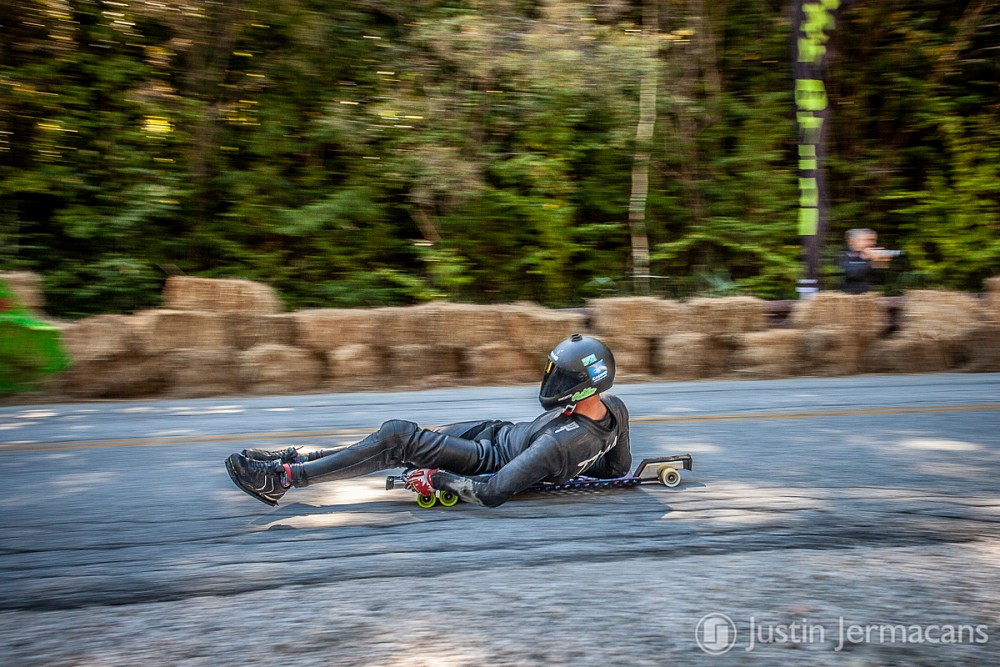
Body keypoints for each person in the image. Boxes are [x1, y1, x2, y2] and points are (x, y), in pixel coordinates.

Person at [225, 333, 631, 508]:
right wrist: (570, 467)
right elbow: (616, 469)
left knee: (397, 437)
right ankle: (299, 459)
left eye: (561, 377)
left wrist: (438, 479)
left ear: (583, 386)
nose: (551, 382)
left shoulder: (560, 443)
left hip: (485, 458)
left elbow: (493, 491)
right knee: (390, 444)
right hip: (496, 432)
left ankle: (283, 480)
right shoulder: (613, 408)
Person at [837, 228, 898, 294]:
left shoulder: (872, 254)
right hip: (851, 294)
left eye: (874, 240)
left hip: (875, 294)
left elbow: (882, 279)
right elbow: (852, 274)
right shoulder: (844, 255)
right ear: (853, 241)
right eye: (869, 240)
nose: (873, 243)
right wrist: (867, 260)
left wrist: (881, 262)